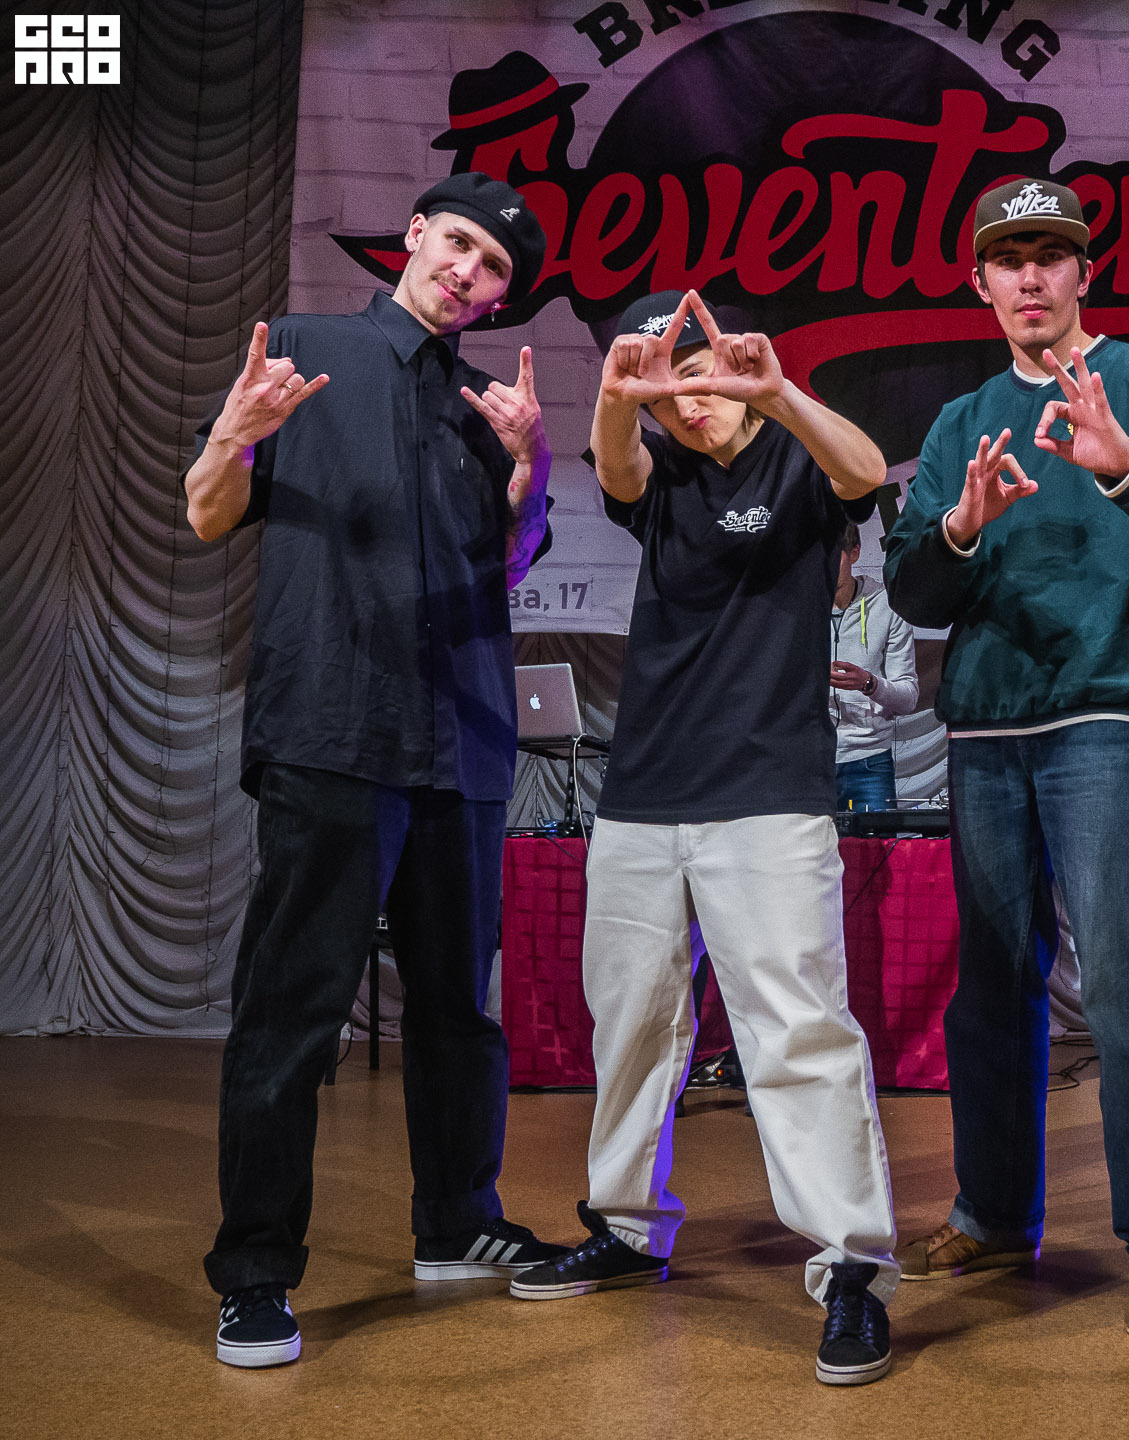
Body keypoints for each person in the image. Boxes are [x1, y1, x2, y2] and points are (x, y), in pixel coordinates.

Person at [182, 173, 570, 1369]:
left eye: (493, 269)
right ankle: (255, 1270)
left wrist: (529, 472)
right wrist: (235, 437)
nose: (468, 272)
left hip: (462, 743)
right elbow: (206, 515)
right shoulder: (302, 352)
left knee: (459, 1012)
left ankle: (456, 1222)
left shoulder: (485, 406)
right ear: (414, 236)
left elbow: (507, 566)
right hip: (333, 730)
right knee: (294, 1012)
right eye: (457, 244)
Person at [883, 178, 1129, 1338]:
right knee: (992, 986)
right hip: (987, 728)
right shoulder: (963, 422)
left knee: (1126, 981)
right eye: (1011, 259)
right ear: (980, 284)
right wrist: (959, 528)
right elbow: (911, 586)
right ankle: (994, 1214)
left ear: (1085, 273)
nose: (1032, 277)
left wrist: (1127, 462)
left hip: (1106, 717)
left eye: (1052, 255)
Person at [506, 289, 900, 1387]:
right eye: (664, 384)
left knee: (797, 1030)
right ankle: (628, 1224)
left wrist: (778, 392)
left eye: (697, 371)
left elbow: (867, 473)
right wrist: (619, 394)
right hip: (643, 795)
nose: (689, 399)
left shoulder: (794, 460)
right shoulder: (660, 473)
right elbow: (616, 464)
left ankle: (851, 1264)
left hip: (768, 794)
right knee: (630, 1020)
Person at [830, 520, 920, 811]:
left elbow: (908, 697)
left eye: (834, 554)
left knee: (875, 841)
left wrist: (869, 683)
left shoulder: (887, 606)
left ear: (855, 552)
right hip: (807, 760)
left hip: (868, 761)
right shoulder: (797, 608)